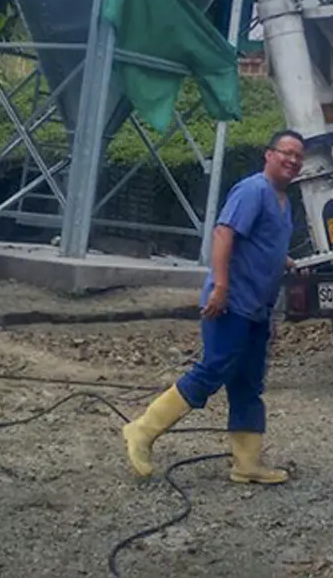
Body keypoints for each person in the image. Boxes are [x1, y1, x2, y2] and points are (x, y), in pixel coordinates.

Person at [121, 129, 306, 484]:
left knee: (248, 383)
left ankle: (246, 463)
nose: (293, 160)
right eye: (286, 152)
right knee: (214, 370)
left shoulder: (283, 202)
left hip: (256, 308)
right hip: (231, 302)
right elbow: (224, 233)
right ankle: (142, 431)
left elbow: (261, 241)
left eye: (299, 156)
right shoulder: (254, 190)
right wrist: (220, 287)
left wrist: (283, 261)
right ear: (268, 155)